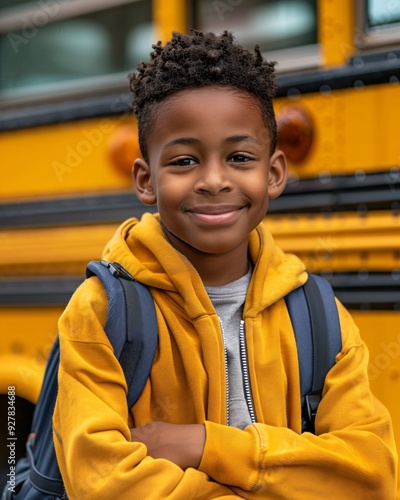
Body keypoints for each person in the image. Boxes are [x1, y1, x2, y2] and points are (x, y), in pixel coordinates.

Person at [53, 30, 398, 499]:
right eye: (184, 160)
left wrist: (203, 444)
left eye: (239, 157)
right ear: (145, 179)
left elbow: (373, 473)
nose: (214, 180)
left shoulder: (317, 315)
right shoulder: (103, 314)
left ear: (273, 173)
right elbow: (105, 483)